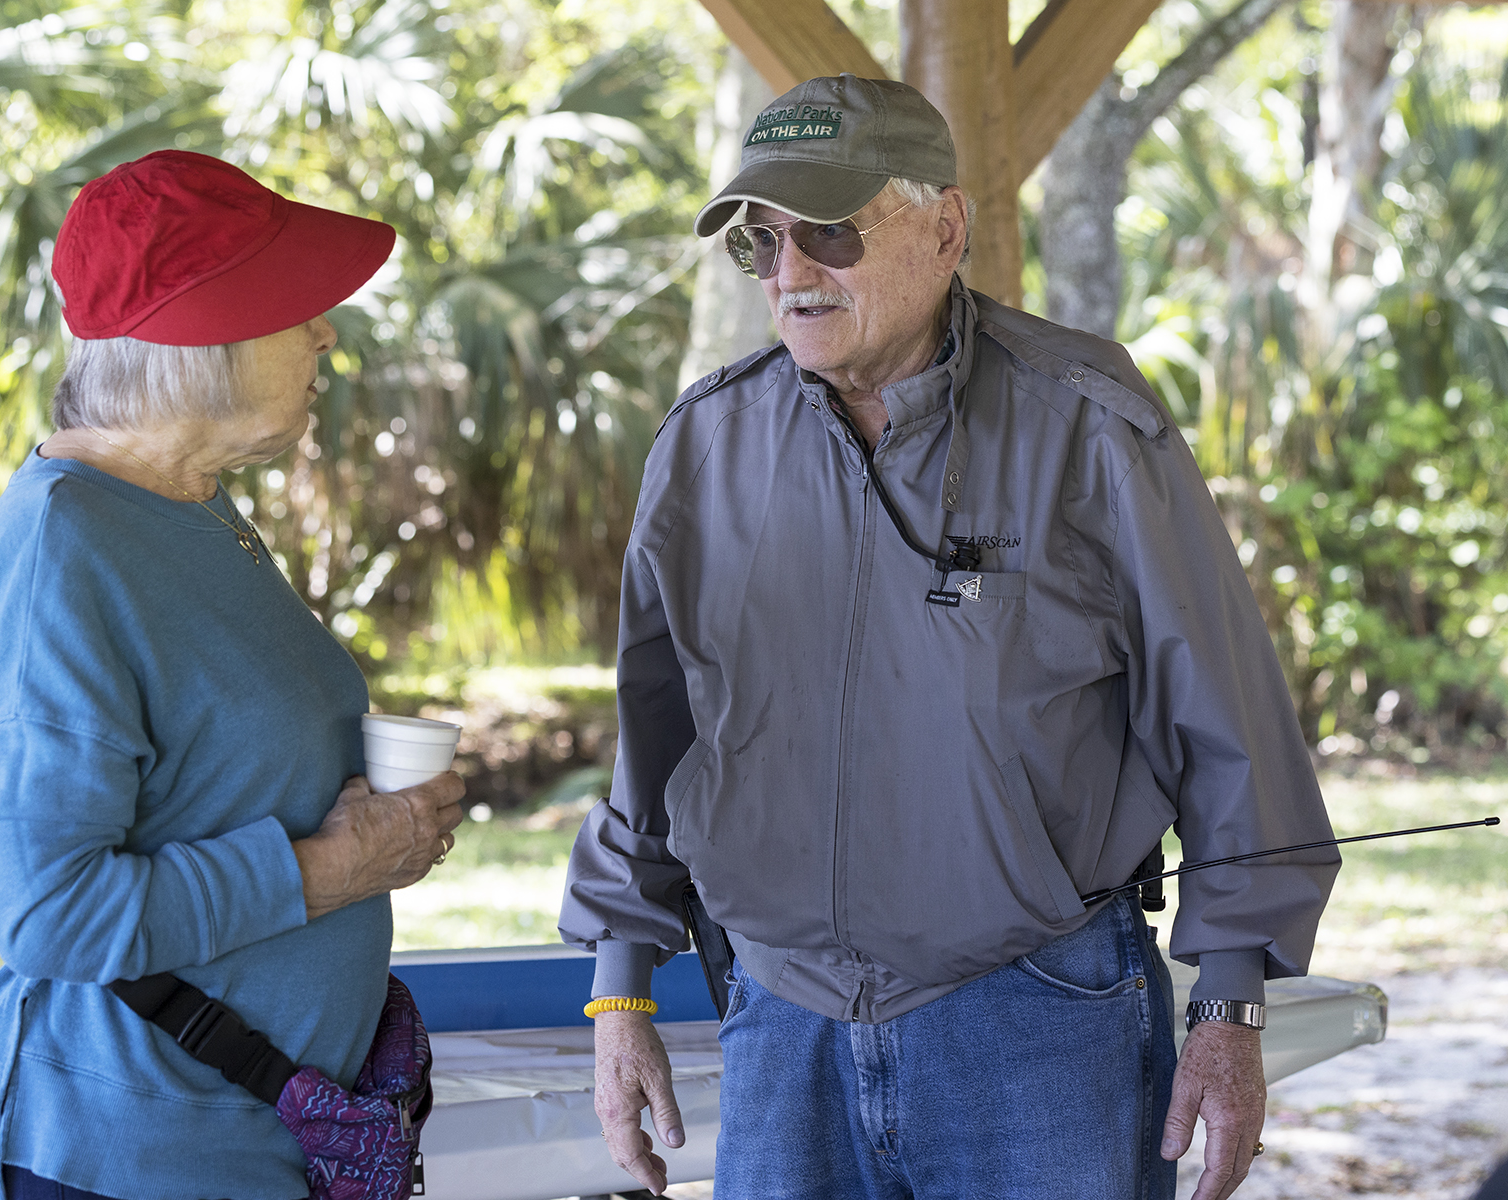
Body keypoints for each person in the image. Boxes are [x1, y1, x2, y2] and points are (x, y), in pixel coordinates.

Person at [560, 74, 1339, 1200]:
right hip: (782, 1023)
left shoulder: (1089, 421)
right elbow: (656, 742)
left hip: (1042, 1016)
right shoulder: (704, 445)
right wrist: (621, 990)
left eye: (827, 231)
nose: (789, 273)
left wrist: (1229, 1003)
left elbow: (1225, 718)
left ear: (946, 226)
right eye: (761, 242)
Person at [0, 150, 465, 1200]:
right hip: (123, 1155)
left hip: (238, 1145)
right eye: (298, 308)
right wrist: (335, 869)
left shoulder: (191, 507)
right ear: (197, 341)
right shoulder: (64, 550)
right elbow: (51, 915)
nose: (325, 333)